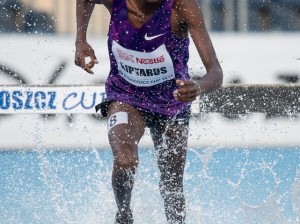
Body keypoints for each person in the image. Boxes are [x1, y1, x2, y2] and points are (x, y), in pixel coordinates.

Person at [75, 0, 223, 223]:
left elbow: (216, 73)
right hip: (125, 96)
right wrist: (80, 40)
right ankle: (124, 215)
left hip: (172, 104)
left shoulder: (182, 7)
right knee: (125, 161)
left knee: (172, 186)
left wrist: (198, 87)